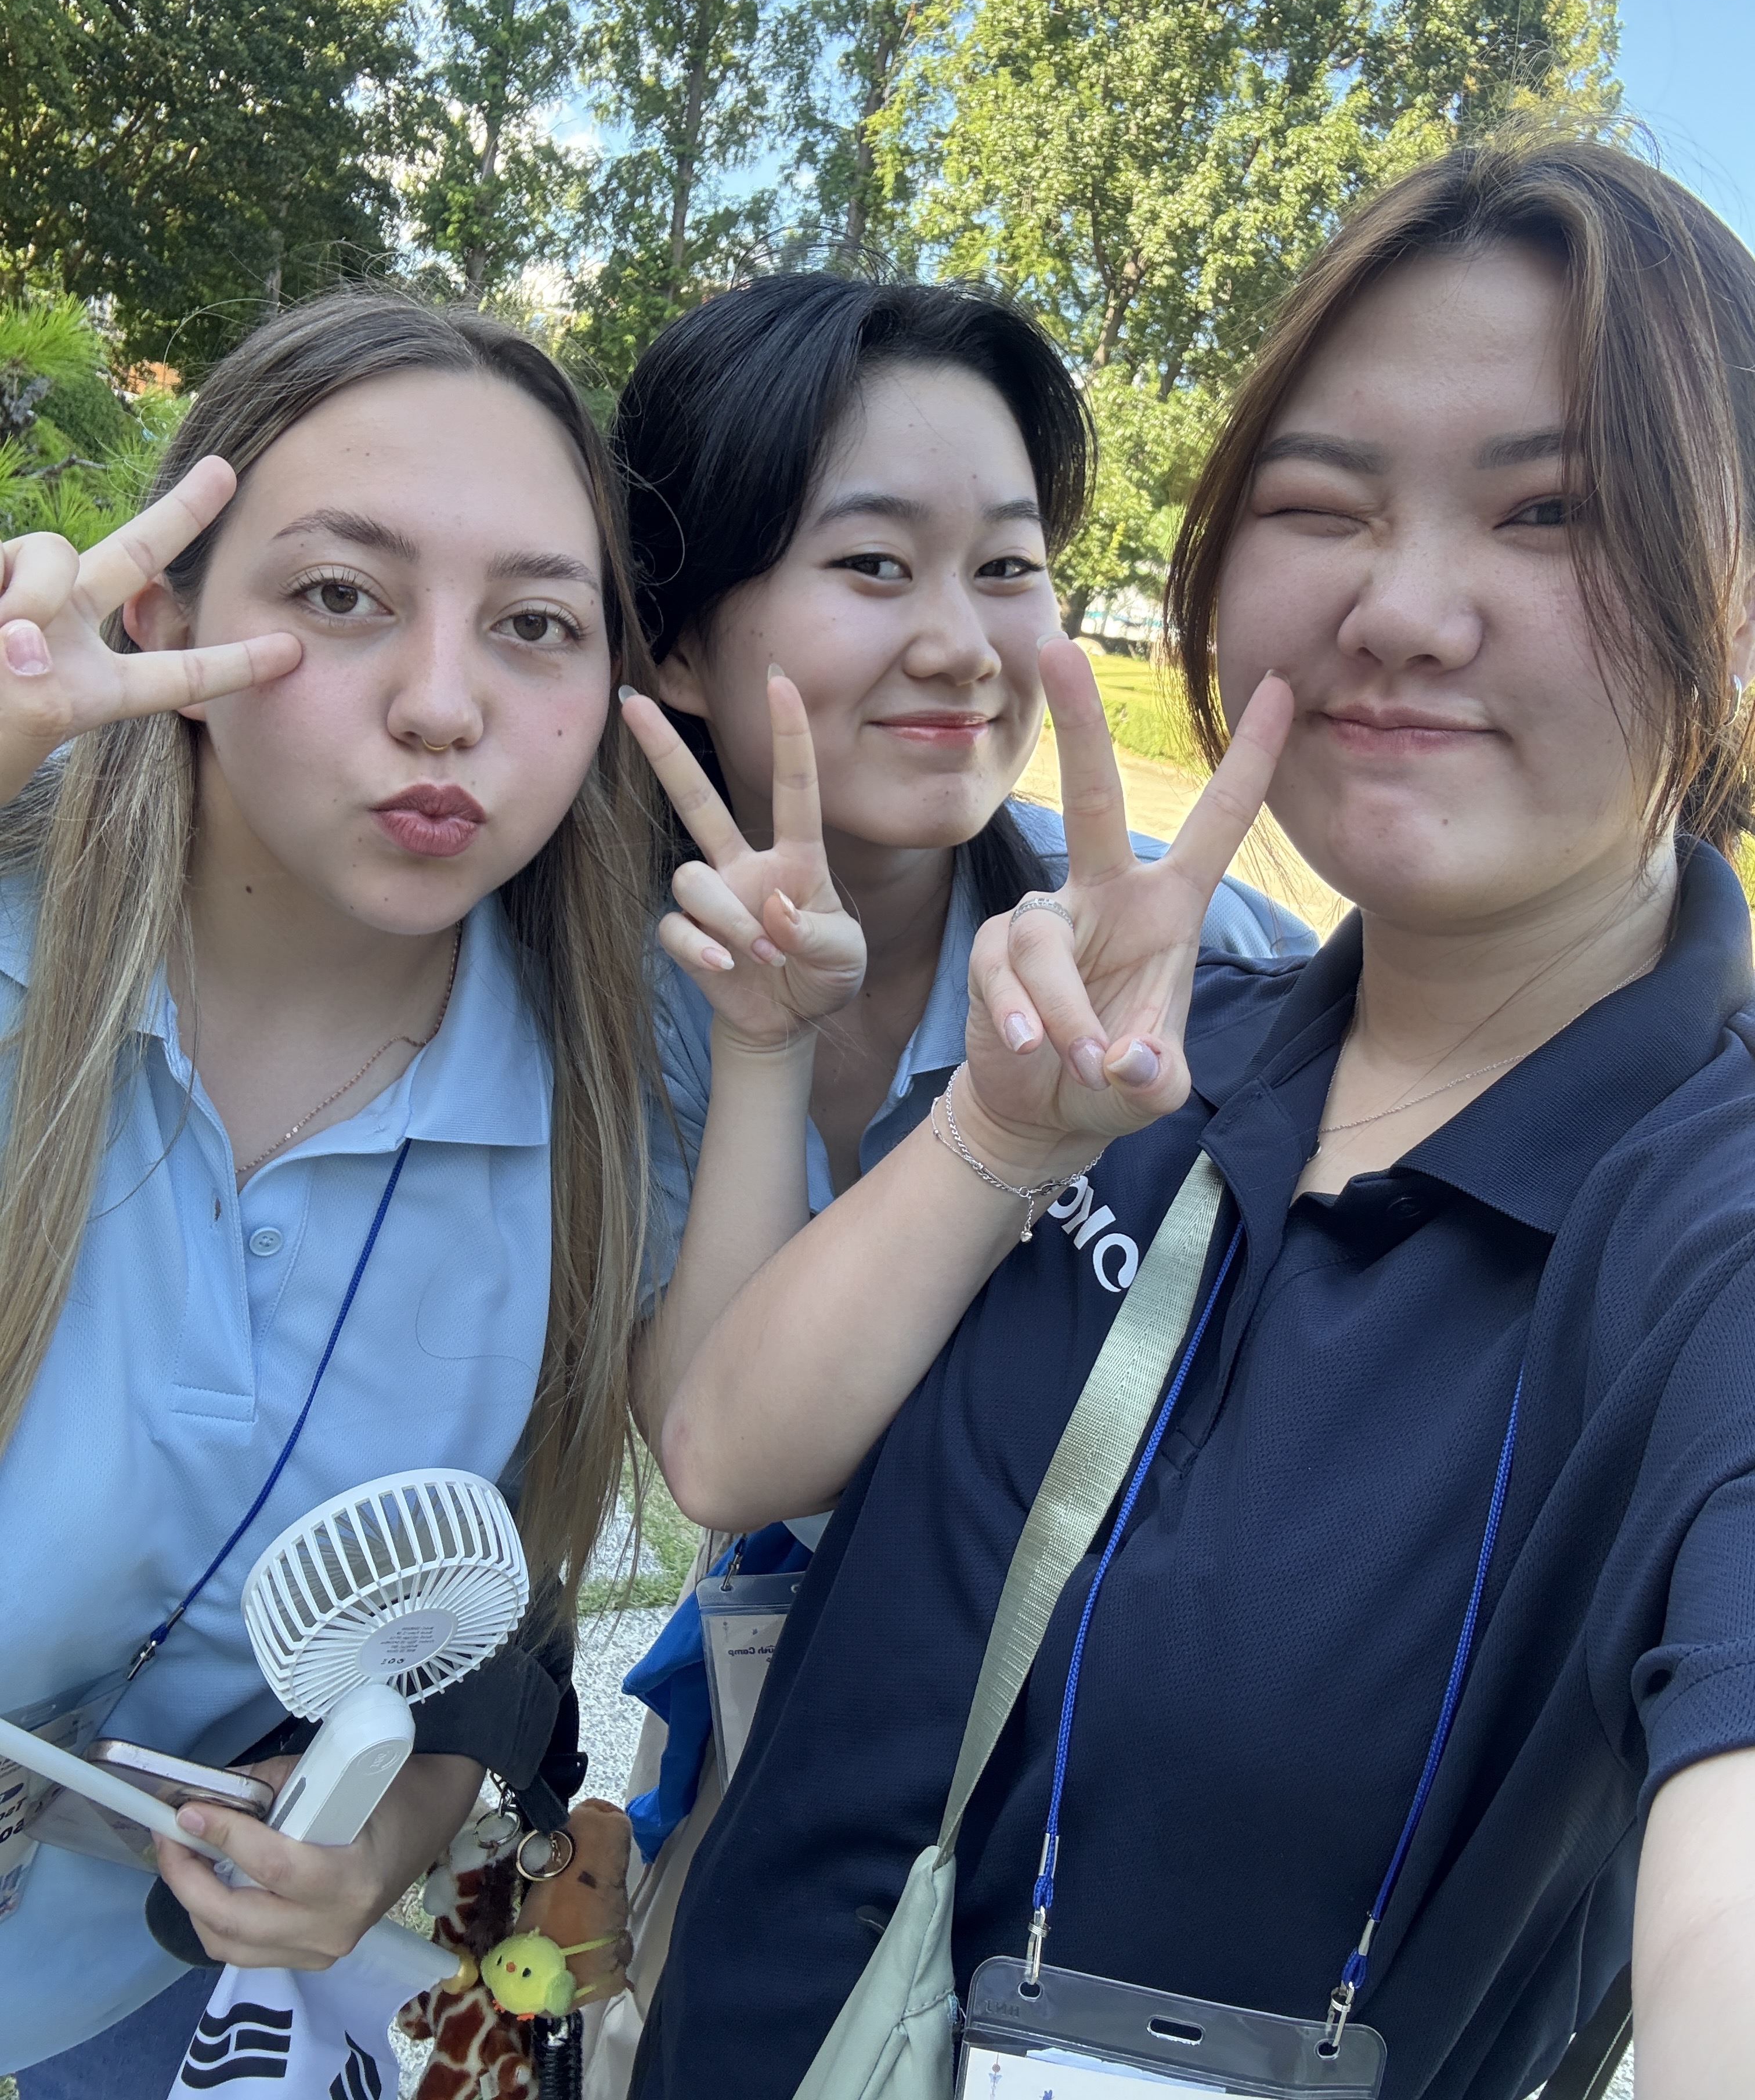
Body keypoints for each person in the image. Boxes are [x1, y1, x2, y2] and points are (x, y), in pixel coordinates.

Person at [629, 134, 1755, 2100]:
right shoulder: (1144, 1042)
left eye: (1551, 512)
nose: (1404, 609)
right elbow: (726, 1454)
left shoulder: (1703, 1240)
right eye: (1323, 503)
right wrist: (1000, 1140)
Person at [592, 274, 1311, 2084]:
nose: (964, 646)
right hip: (784, 1744)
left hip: (1086, 1802)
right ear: (672, 639)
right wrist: (767, 1043)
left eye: (1006, 568)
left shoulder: (1198, 960)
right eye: (872, 565)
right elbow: (720, 1458)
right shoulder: (600, 998)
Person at [0, 292, 658, 2088]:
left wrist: (381, 1837)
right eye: (344, 594)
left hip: (122, 2026)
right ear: (165, 613)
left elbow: (500, 1620)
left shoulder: (611, 1121)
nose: (443, 704)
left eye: (535, 624)